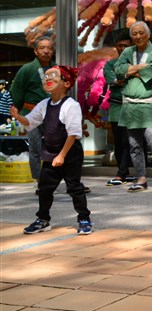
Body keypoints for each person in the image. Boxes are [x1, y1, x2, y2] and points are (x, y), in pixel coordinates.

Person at [10, 65, 94, 235]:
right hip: (50, 151)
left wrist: (62, 155)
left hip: (69, 152)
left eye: (53, 76)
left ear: (66, 83)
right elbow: (30, 122)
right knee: (44, 188)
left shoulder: (71, 105)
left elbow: (73, 134)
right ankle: (43, 219)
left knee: (74, 187)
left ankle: (84, 219)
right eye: (46, 77)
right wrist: (18, 116)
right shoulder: (44, 104)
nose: (48, 79)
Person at [115, 21, 152, 193]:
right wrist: (138, 68)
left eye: (141, 33)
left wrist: (129, 71)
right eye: (134, 33)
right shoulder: (127, 51)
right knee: (134, 145)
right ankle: (141, 179)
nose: (138, 36)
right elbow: (118, 69)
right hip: (130, 106)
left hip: (148, 105)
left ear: (148, 34)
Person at [10, 36, 55, 193]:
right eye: (42, 48)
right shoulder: (27, 69)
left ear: (53, 51)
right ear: (35, 51)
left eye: (49, 48)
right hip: (32, 114)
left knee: (54, 148)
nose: (46, 51)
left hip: (51, 114)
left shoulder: (55, 69)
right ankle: (39, 181)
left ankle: (52, 179)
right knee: (35, 148)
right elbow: (16, 92)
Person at [103, 30, 135, 186]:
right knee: (118, 141)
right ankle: (124, 171)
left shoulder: (135, 63)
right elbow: (114, 80)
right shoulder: (110, 64)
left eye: (126, 45)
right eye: (120, 45)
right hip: (116, 107)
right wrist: (125, 77)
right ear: (116, 47)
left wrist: (121, 78)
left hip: (133, 106)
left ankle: (122, 172)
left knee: (130, 141)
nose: (123, 48)